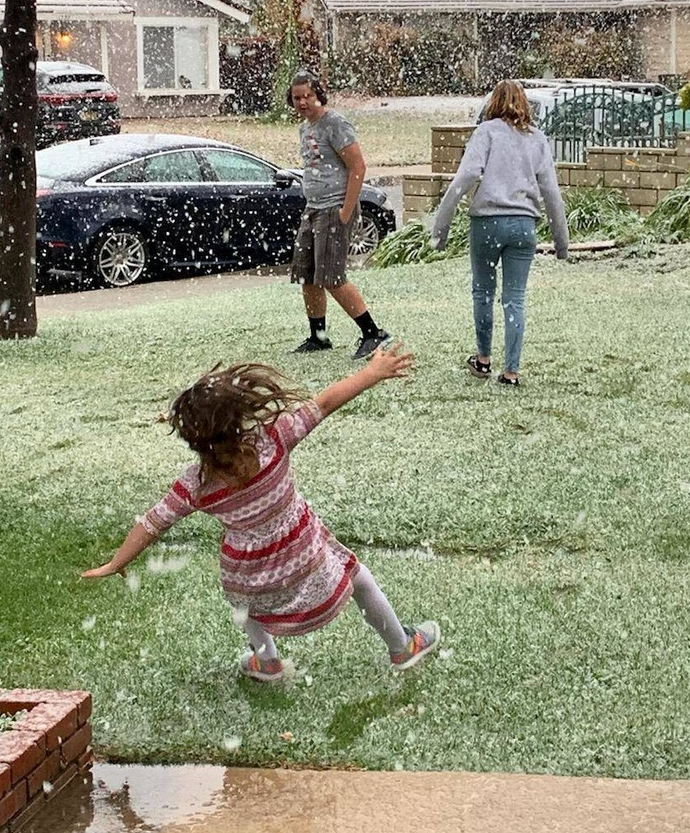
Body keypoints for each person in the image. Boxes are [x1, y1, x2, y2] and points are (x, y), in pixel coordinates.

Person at [82, 344, 440, 682]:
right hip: (303, 556)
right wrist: (373, 372)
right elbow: (325, 403)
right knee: (358, 579)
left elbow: (152, 522)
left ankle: (267, 660)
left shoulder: (197, 485)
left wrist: (116, 562)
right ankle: (401, 646)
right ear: (238, 418)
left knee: (243, 604)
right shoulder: (273, 441)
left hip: (249, 576)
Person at [431, 79, 570, 387]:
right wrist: (562, 242)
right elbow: (551, 190)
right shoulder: (537, 139)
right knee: (515, 298)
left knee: (483, 291)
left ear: (493, 103)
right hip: (524, 226)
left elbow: (465, 177)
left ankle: (483, 361)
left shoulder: (486, 132)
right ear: (525, 104)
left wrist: (440, 230)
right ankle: (511, 371)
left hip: (488, 223)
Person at [288, 69, 392, 359]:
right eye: (297, 98)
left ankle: (373, 333)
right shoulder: (305, 128)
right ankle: (318, 336)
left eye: (307, 95)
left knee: (333, 277)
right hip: (313, 208)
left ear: (318, 94)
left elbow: (358, 167)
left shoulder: (334, 123)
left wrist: (346, 211)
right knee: (307, 274)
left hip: (334, 208)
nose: (302, 102)